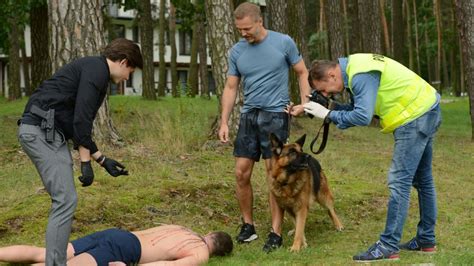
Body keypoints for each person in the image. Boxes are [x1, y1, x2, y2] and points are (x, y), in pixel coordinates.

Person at [302, 53, 441, 262]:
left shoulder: (359, 75)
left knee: (399, 182)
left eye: (323, 88)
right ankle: (426, 239)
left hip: (414, 118)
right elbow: (357, 108)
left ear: (332, 75)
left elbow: (362, 116)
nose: (325, 93)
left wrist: (328, 115)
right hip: (426, 107)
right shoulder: (356, 67)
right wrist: (323, 109)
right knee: (423, 181)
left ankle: (388, 245)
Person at [17, 38, 143, 265]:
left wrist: (100, 159)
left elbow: (79, 123)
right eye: (130, 72)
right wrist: (85, 163)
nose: (127, 78)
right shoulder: (97, 71)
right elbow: (81, 120)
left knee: (66, 199)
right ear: (123, 62)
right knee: (65, 200)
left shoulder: (97, 72)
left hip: (49, 133)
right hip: (40, 131)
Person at [218, 2, 312, 253]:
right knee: (241, 173)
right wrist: (224, 121)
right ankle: (248, 226)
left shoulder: (283, 43)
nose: (243, 33)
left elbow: (302, 72)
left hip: (275, 115)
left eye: (247, 28)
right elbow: (230, 87)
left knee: (274, 174)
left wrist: (305, 103)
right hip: (249, 115)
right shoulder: (237, 51)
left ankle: (275, 232)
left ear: (259, 21)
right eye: (239, 29)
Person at [0, 224, 233, 265]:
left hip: (115, 235)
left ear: (210, 233)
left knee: (46, 254)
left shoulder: (183, 229)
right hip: (124, 249)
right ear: (218, 254)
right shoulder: (201, 252)